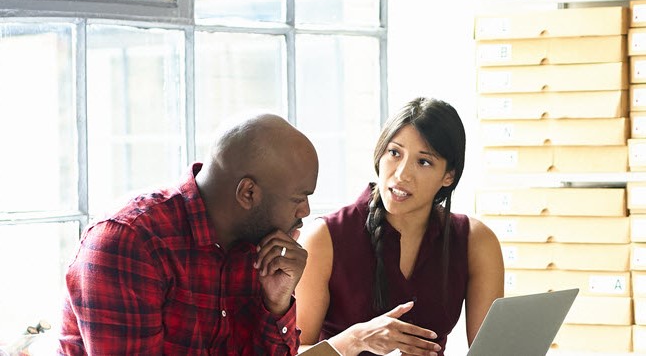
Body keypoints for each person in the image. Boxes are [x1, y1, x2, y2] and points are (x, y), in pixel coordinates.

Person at [59, 113, 318, 355]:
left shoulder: (259, 245)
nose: (306, 211)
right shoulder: (129, 242)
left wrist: (277, 302)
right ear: (247, 193)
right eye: (299, 199)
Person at [296, 97, 504, 356]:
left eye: (423, 161)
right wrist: (355, 340)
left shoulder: (476, 241)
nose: (402, 174)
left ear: (448, 176)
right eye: (394, 153)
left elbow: (492, 352)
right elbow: (294, 352)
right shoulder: (324, 238)